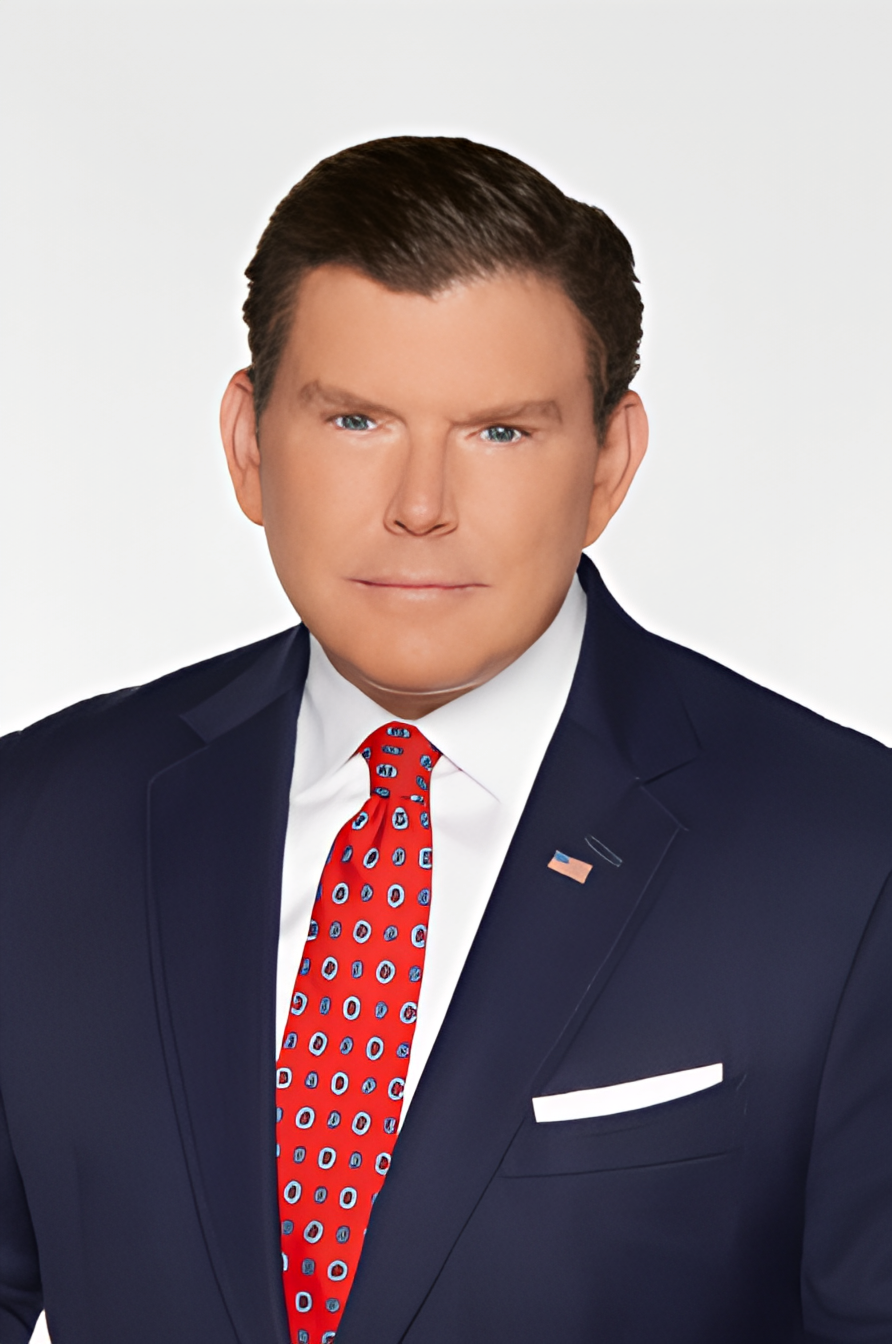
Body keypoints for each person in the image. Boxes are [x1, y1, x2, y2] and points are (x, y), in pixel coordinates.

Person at [1, 136, 890, 1344]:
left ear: (609, 464)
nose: (420, 505)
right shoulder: (40, 822)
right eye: (357, 419)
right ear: (250, 445)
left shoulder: (847, 857)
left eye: (500, 433)